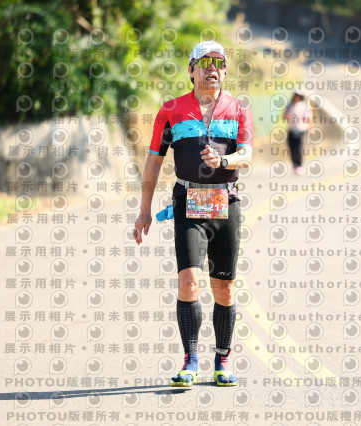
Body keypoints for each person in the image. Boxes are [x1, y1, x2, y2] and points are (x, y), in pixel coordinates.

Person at [132, 40, 253, 388]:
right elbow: (154, 160)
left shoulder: (238, 108)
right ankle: (190, 361)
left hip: (225, 202)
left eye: (219, 63)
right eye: (204, 62)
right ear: (191, 70)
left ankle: (223, 360)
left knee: (224, 288)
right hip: (188, 201)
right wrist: (144, 211)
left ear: (225, 72)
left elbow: (247, 154)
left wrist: (224, 160)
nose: (212, 69)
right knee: (188, 282)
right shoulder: (171, 110)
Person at [283, 90, 313, 176]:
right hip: (292, 130)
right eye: (296, 96)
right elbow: (284, 116)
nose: (297, 97)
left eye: (298, 96)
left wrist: (311, 128)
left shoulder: (304, 106)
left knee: (299, 148)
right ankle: (295, 166)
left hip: (301, 130)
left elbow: (309, 118)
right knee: (292, 148)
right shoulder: (290, 106)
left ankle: (299, 165)